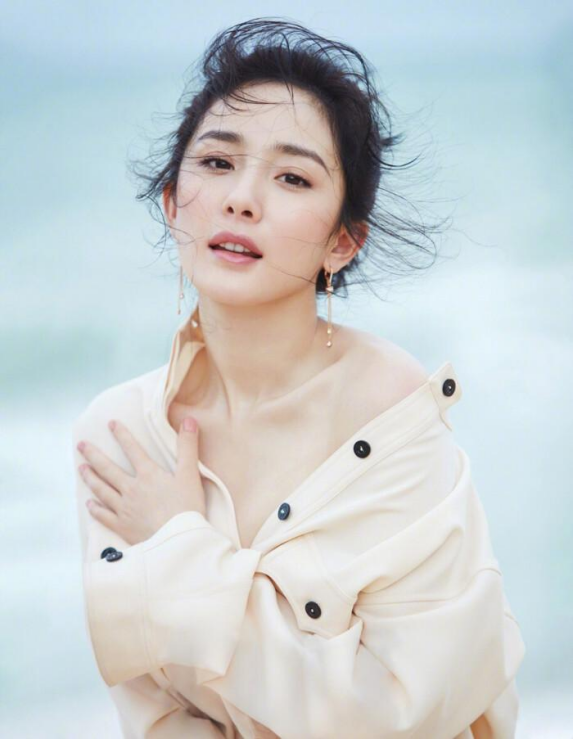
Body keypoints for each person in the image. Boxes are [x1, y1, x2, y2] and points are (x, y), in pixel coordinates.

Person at [71, 18, 525, 739]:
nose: (241, 198)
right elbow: (154, 714)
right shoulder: (121, 436)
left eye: (292, 177)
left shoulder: (387, 415)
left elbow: (402, 713)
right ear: (172, 202)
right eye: (216, 162)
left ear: (342, 242)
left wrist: (182, 547)